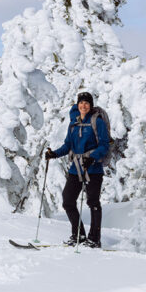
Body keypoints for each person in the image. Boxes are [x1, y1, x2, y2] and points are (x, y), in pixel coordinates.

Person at [45, 91, 110, 248]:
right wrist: (54, 154)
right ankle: (79, 234)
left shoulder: (98, 122)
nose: (83, 105)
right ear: (77, 104)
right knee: (68, 201)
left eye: (87, 103)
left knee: (93, 202)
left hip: (93, 169)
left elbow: (104, 145)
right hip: (76, 168)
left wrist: (92, 157)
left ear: (91, 105)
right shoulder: (73, 123)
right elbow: (68, 145)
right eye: (81, 103)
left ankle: (94, 238)